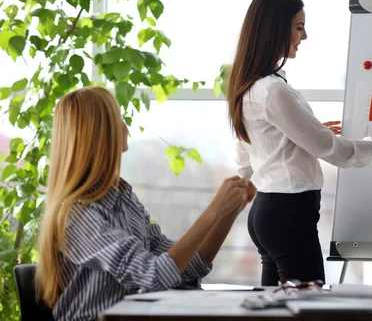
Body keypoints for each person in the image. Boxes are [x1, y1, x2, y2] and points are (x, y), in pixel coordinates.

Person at [227, 0, 372, 286]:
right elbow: (336, 152)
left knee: (273, 309)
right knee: (308, 310)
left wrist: (310, 130)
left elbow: (250, 145)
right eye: (299, 27)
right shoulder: (274, 91)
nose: (305, 36)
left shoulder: (248, 85)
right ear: (276, 29)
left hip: (267, 210)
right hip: (289, 213)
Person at [35, 86, 256, 321]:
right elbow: (155, 276)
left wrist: (227, 213)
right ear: (99, 134)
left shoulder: (123, 198)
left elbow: (187, 269)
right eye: (118, 119)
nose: (126, 127)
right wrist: (213, 211)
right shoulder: (78, 215)